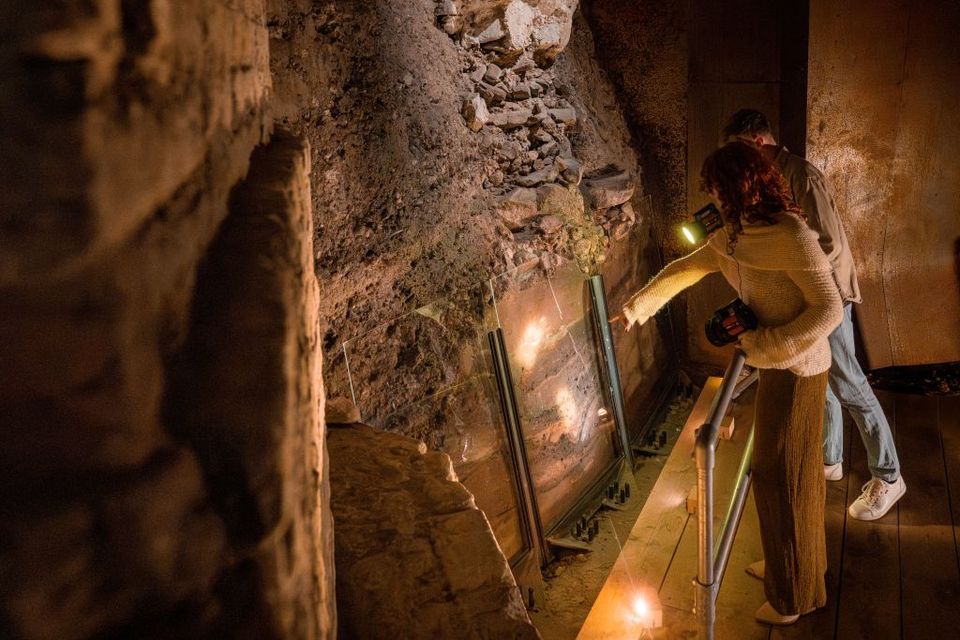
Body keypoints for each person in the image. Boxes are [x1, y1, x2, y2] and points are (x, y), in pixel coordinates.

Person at [614, 142, 842, 625]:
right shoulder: (733, 232)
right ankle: (795, 565)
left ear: (743, 189)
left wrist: (768, 345)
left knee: (784, 476)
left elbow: (829, 308)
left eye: (718, 190)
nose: (711, 198)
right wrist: (639, 305)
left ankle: (793, 596)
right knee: (782, 475)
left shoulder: (790, 235)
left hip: (800, 368)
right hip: (774, 361)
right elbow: (691, 265)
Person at [722, 109, 906, 521]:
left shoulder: (800, 176)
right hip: (805, 294)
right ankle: (831, 457)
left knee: (849, 382)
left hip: (829, 295)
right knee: (821, 377)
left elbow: (828, 243)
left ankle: (890, 477)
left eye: (739, 152)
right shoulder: (769, 178)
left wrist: (782, 269)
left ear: (757, 142)